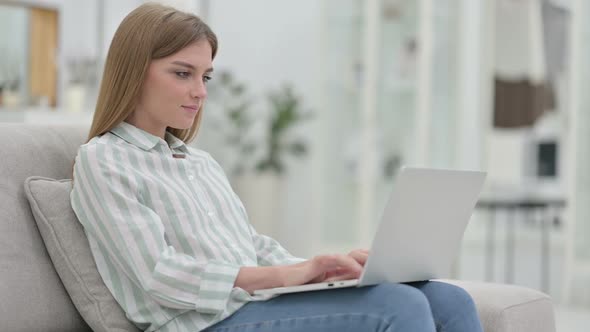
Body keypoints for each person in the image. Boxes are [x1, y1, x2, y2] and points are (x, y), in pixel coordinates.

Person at [70, 3, 484, 332]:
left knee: (450, 300)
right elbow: (159, 275)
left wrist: (327, 270)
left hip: (254, 307)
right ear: (133, 72)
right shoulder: (103, 160)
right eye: (182, 74)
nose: (199, 92)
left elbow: (251, 245)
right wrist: (287, 276)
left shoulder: (199, 162)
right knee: (399, 305)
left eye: (206, 78)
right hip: (204, 323)